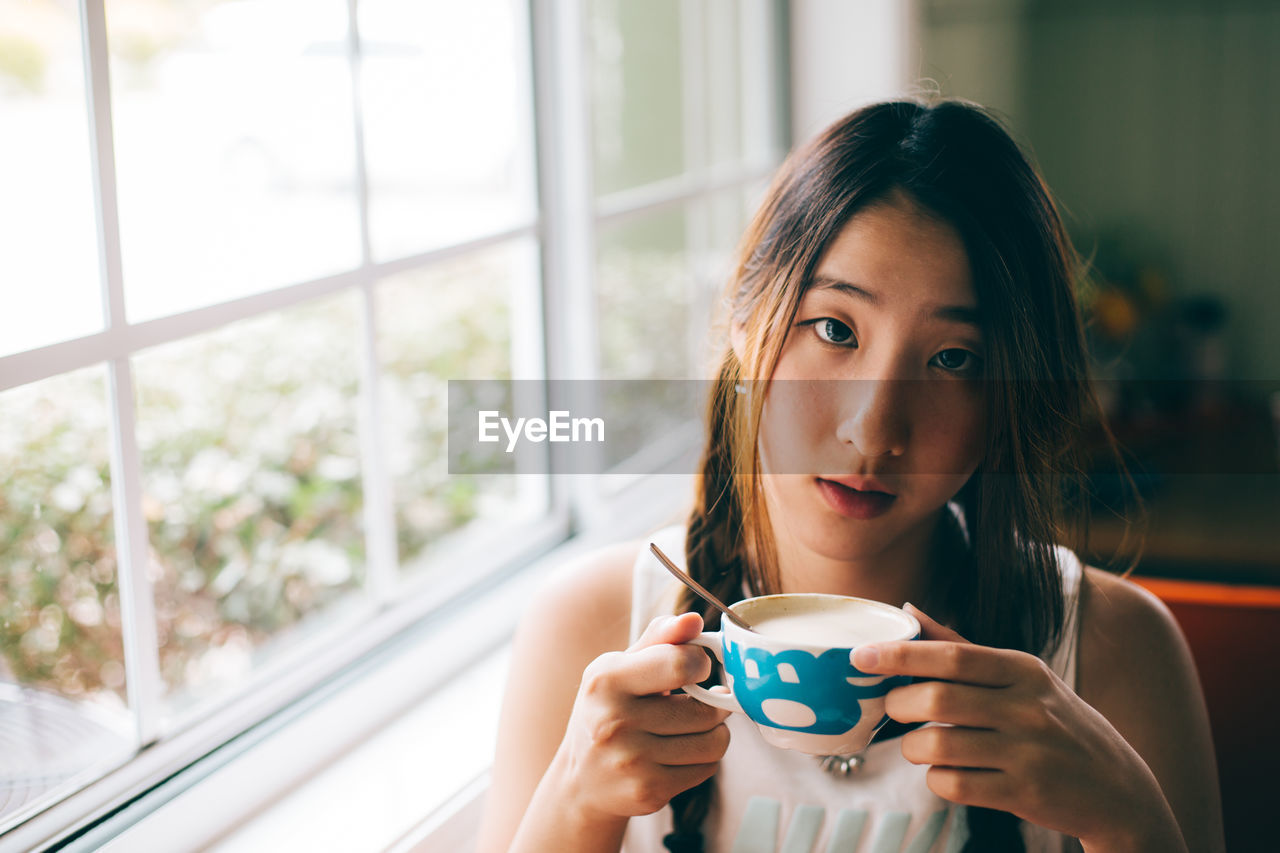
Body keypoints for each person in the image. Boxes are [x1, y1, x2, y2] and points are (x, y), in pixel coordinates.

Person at [476, 99, 1224, 853]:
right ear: (744, 326)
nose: (874, 429)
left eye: (954, 359)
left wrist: (1129, 819)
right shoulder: (589, 626)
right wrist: (576, 805)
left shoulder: (1113, 651)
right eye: (835, 330)